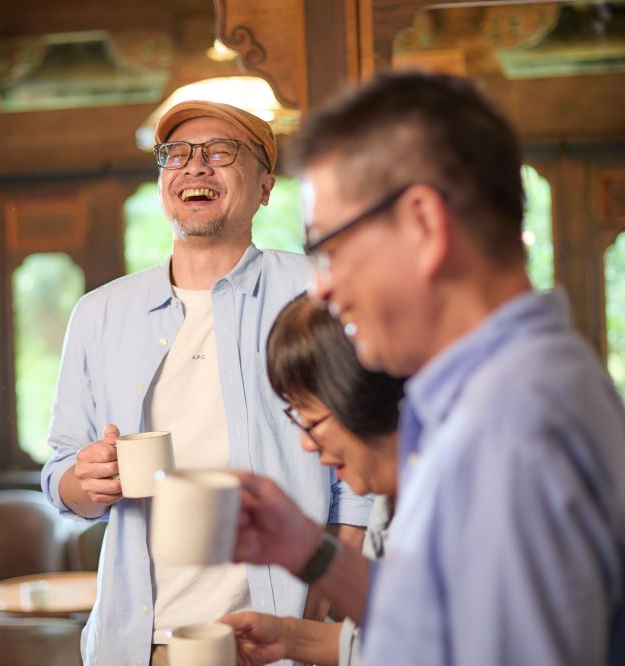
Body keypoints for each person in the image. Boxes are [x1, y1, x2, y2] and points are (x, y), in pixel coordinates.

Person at [237, 72, 625, 664]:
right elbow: (447, 619)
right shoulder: (509, 387)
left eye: (331, 249)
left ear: (423, 223)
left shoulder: (509, 421)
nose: (324, 288)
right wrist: (308, 550)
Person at [40, 101, 372, 666]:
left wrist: (321, 607)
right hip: (140, 643)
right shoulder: (100, 313)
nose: (195, 167)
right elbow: (60, 481)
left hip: (278, 638)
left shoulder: (319, 295)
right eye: (177, 154)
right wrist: (86, 480)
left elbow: (362, 477)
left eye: (221, 153)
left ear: (265, 186)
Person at [219, 294, 403, 666]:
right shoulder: (389, 499)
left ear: (363, 399)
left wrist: (307, 547)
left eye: (313, 421)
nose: (306, 442)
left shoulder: (465, 495)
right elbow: (395, 631)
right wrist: (287, 637)